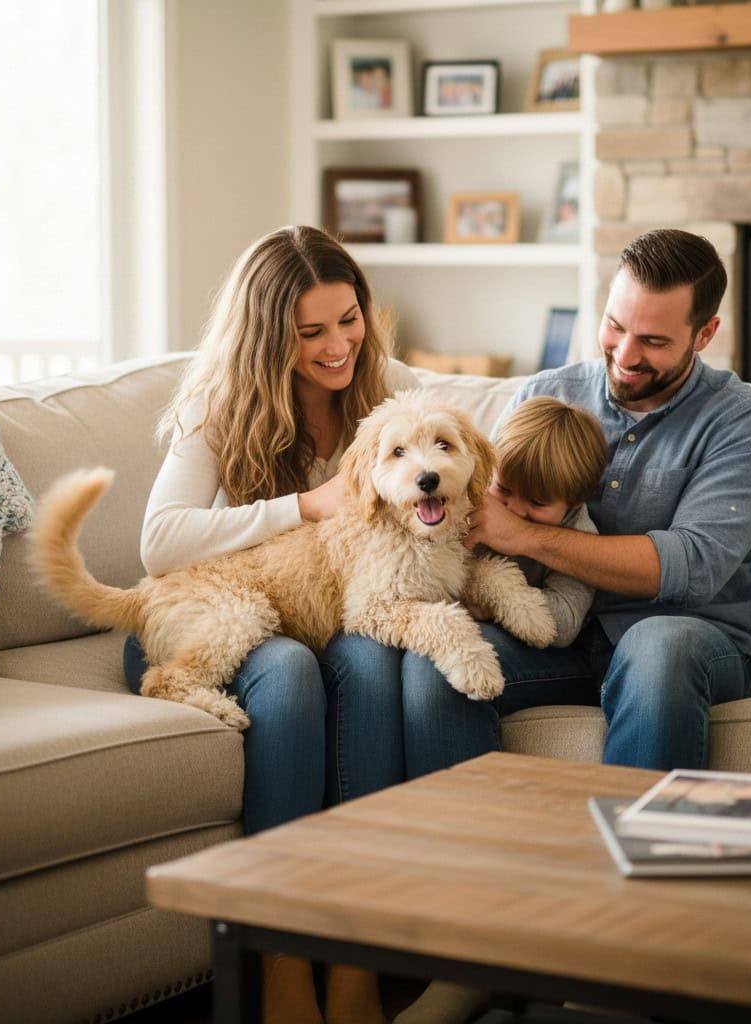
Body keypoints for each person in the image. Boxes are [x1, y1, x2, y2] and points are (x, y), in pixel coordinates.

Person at [125, 225, 488, 1024]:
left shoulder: (375, 379)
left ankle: (355, 954)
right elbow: (159, 541)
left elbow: (465, 419)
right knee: (289, 672)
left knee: (366, 661)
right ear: (267, 336)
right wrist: (303, 504)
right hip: (211, 612)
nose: (338, 348)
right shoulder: (217, 404)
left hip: (329, 621)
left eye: (349, 319)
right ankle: (285, 957)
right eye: (311, 332)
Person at [463, 227, 751, 771]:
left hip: (690, 644)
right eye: (615, 326)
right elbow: (484, 511)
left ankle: (639, 852)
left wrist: (528, 536)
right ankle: (450, 843)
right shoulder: (545, 395)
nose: (626, 354)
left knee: (656, 644)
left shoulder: (744, 423)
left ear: (705, 333)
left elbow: (692, 566)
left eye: (654, 342)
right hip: (557, 640)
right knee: (438, 664)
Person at [475, 395, 608, 647]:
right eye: (503, 489)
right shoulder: (476, 495)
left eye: (536, 503)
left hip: (528, 646)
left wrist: (494, 601)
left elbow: (565, 624)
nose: (513, 510)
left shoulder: (581, 536)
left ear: (575, 501)